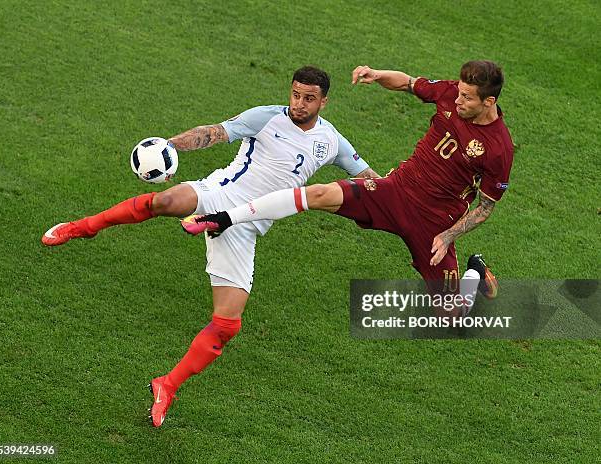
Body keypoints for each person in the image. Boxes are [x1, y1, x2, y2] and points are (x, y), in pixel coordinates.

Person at [41, 66, 378, 427]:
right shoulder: (265, 117)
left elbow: (371, 181)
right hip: (221, 194)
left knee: (227, 325)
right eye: (295, 94)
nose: (299, 103)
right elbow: (214, 134)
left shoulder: (333, 142)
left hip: (244, 228)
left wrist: (405, 196)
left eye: (308, 98)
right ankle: (81, 228)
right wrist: (171, 145)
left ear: (324, 101)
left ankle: (166, 385)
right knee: (165, 202)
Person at [186, 60, 514, 313]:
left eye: (467, 98)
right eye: (458, 92)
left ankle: (475, 273)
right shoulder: (450, 93)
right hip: (395, 192)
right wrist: (376, 74)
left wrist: (448, 236)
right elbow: (409, 83)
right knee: (318, 194)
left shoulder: (499, 149)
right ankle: (225, 218)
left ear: (489, 102)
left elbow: (485, 208)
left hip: (435, 224)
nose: (457, 100)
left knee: (452, 315)